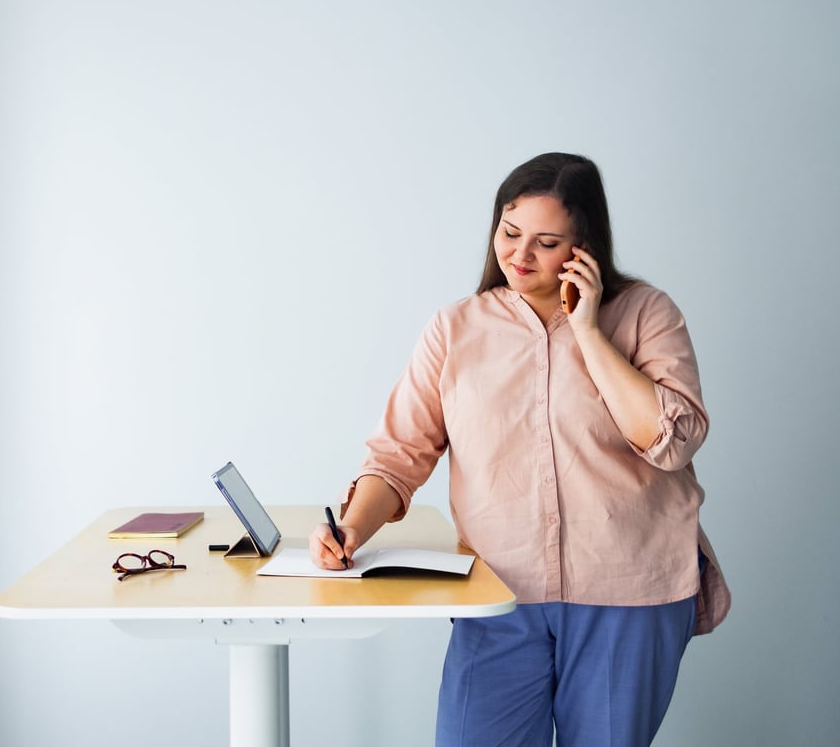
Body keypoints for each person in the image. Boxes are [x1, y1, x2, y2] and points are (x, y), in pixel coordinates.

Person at [310, 152, 730, 747]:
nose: (519, 255)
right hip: (499, 594)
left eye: (546, 241)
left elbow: (672, 443)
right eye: (509, 233)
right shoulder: (454, 329)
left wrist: (587, 331)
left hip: (628, 591)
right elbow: (400, 454)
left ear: (584, 246)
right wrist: (353, 528)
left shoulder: (645, 314)